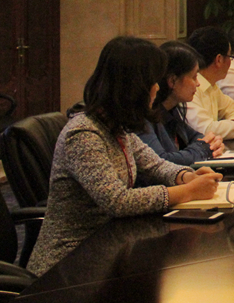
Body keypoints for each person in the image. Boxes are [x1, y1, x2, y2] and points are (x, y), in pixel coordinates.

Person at [27, 36, 222, 277]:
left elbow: (156, 165)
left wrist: (186, 176)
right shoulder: (84, 134)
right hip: (69, 264)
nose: (157, 88)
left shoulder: (117, 127)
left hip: (109, 250)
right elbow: (118, 201)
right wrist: (188, 191)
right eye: (153, 81)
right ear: (134, 86)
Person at [139, 41, 227, 165]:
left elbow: (197, 137)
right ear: (172, 80)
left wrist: (211, 143)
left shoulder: (173, 110)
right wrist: (204, 148)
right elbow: (163, 161)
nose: (198, 84)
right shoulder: (144, 118)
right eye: (194, 77)